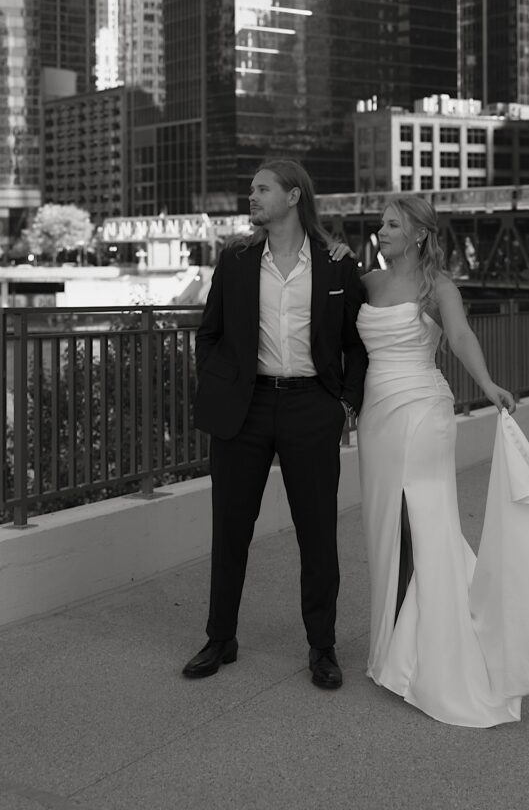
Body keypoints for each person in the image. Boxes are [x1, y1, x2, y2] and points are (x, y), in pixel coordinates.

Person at [356, 195, 529, 726]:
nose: (382, 230)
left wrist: (486, 385)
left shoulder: (437, 287)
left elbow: (460, 336)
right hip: (376, 418)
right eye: (381, 224)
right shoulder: (367, 283)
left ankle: (429, 651)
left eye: (392, 224)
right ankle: (394, 641)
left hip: (421, 412)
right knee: (384, 527)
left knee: (422, 523)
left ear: (418, 234)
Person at [183, 160, 368, 687]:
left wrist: (345, 403)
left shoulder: (336, 267)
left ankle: (323, 647)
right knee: (230, 528)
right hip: (246, 408)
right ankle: (221, 638)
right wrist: (217, 383)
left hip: (312, 405)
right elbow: (209, 332)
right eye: (251, 189)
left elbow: (356, 344)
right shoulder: (237, 260)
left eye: (262, 189)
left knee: (317, 532)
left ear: (293, 196)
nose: (252, 196)